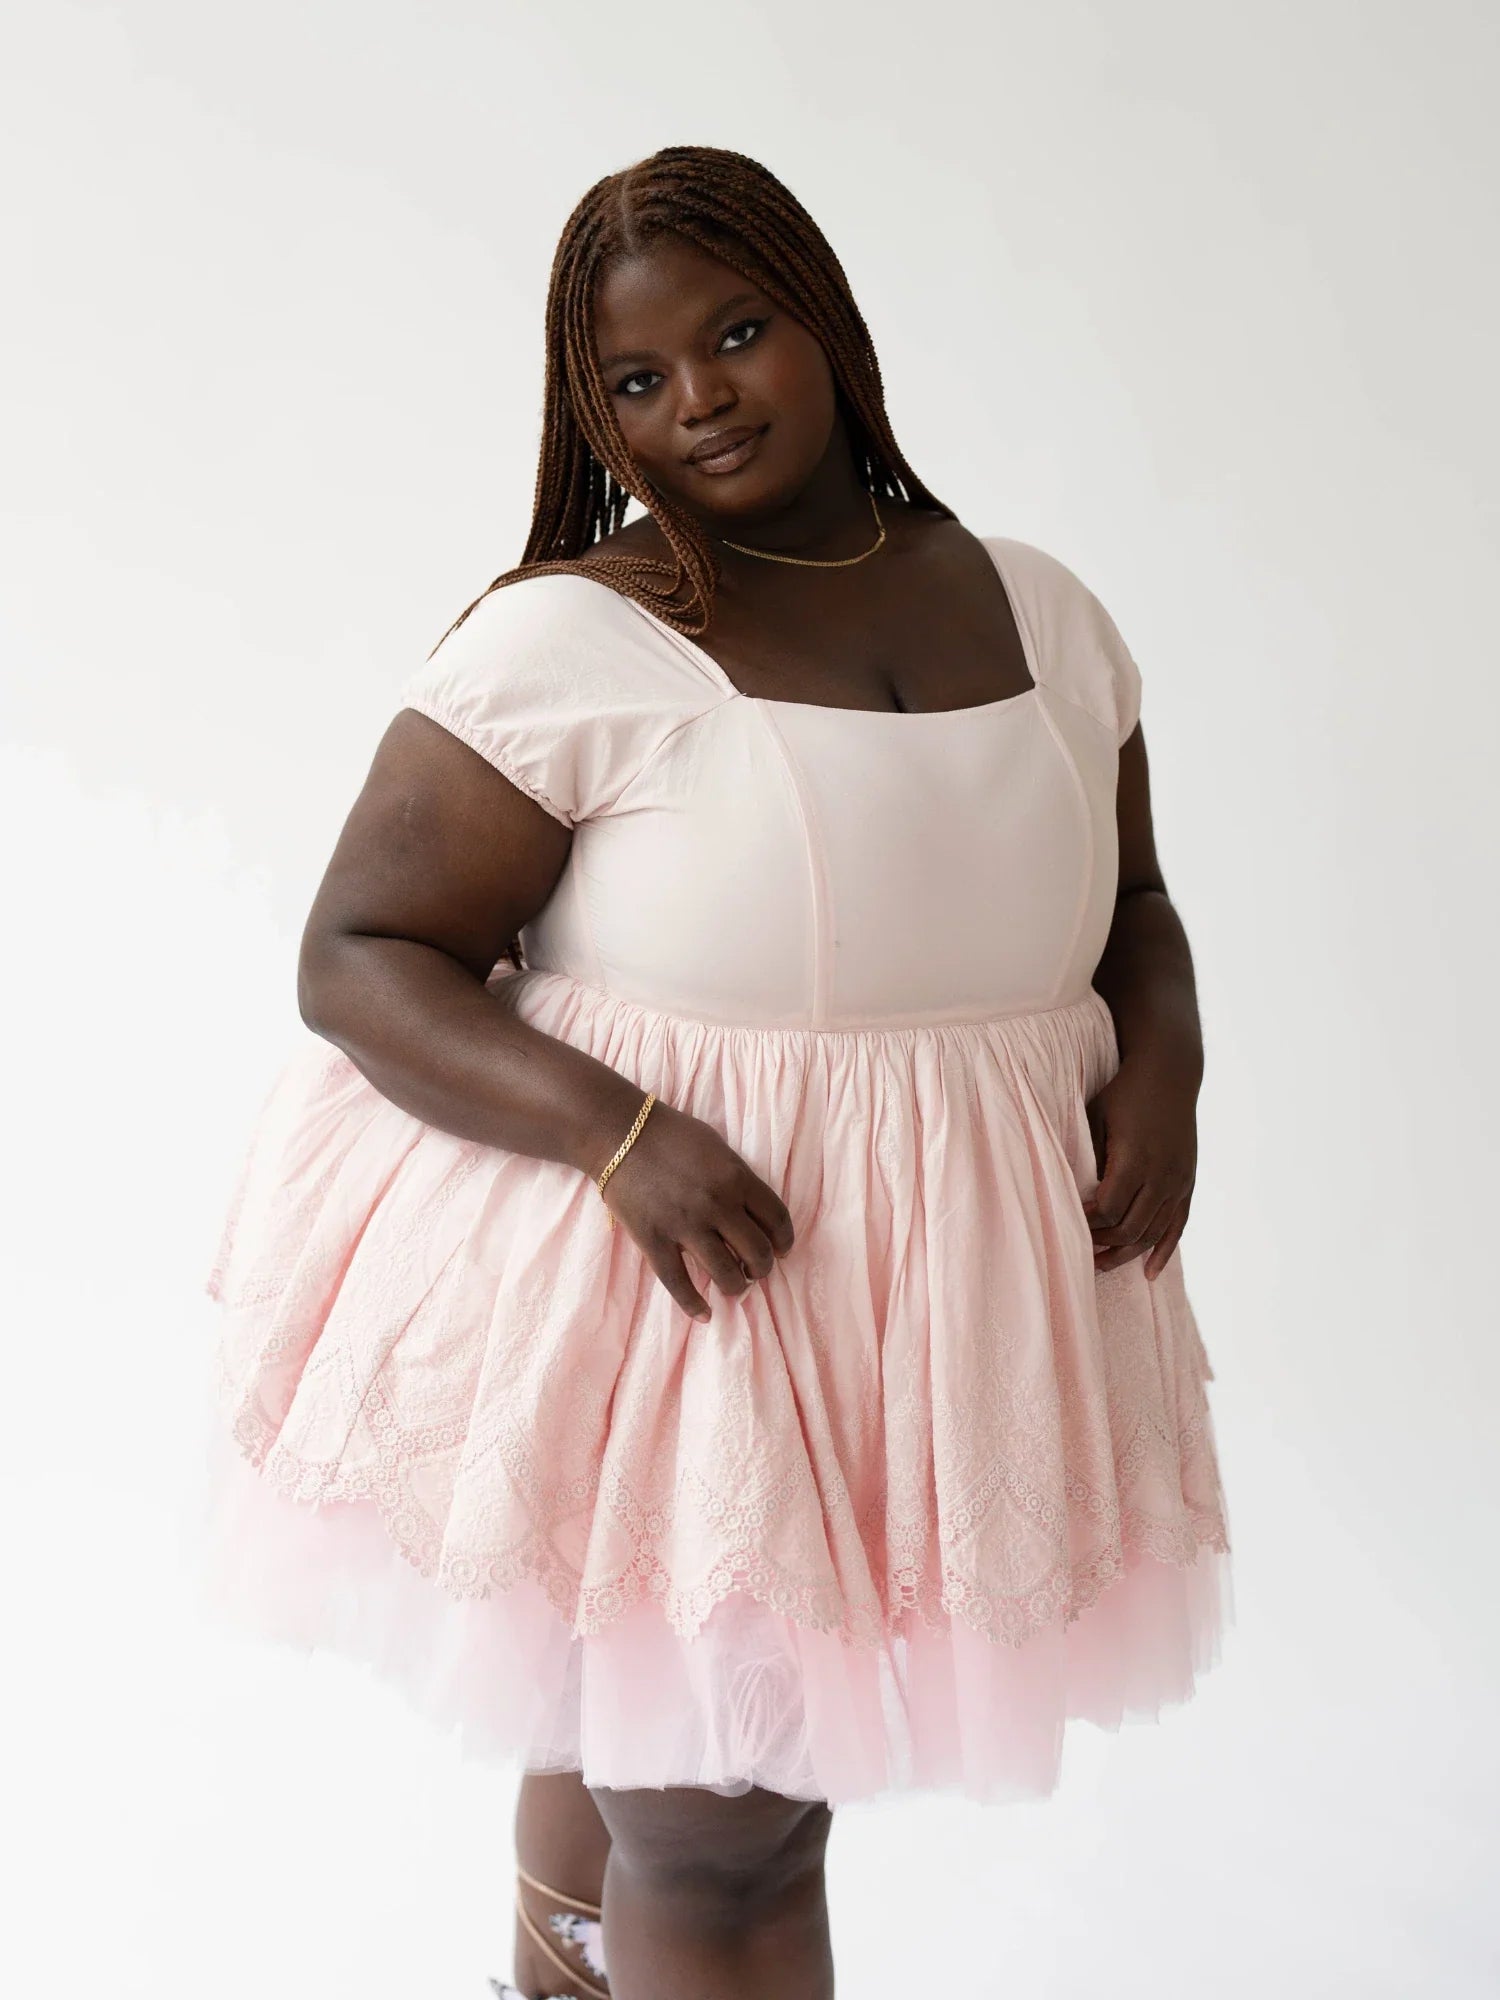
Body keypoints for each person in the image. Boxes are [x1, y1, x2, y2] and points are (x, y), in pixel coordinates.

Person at [198, 143, 1234, 2000]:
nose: (702, 402)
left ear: (825, 319)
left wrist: (1168, 1052)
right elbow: (357, 957)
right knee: (730, 1816)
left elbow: (1131, 900)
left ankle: (562, 1973)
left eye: (738, 334)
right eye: (638, 382)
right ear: (591, 410)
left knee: (676, 1743)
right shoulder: (574, 641)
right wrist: (623, 1137)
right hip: (687, 1278)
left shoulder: (1043, 612)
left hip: (947, 1297)